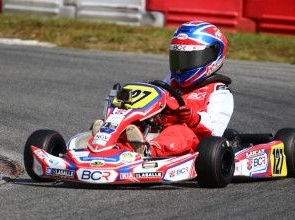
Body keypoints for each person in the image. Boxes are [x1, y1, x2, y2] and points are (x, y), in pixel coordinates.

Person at [93, 21, 234, 157]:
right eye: (178, 58)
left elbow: (216, 129)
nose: (181, 66)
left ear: (212, 56)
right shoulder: (170, 82)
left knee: (179, 132)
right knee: (134, 126)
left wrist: (193, 118)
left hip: (194, 140)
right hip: (158, 129)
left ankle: (149, 151)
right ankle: (110, 143)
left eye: (188, 59)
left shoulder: (219, 91)